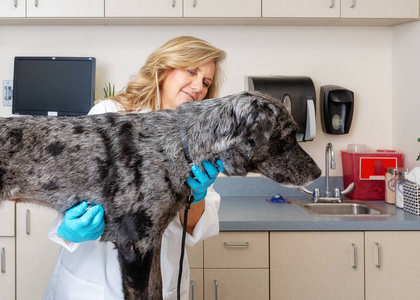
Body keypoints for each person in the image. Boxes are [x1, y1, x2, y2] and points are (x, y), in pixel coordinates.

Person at [43, 36, 226, 300]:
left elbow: (195, 227)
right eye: (191, 71)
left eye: (206, 82)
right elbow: (70, 189)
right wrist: (69, 227)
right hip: (93, 282)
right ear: (164, 69)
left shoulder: (201, 141)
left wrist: (194, 197)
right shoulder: (109, 114)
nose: (198, 86)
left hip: (160, 279)